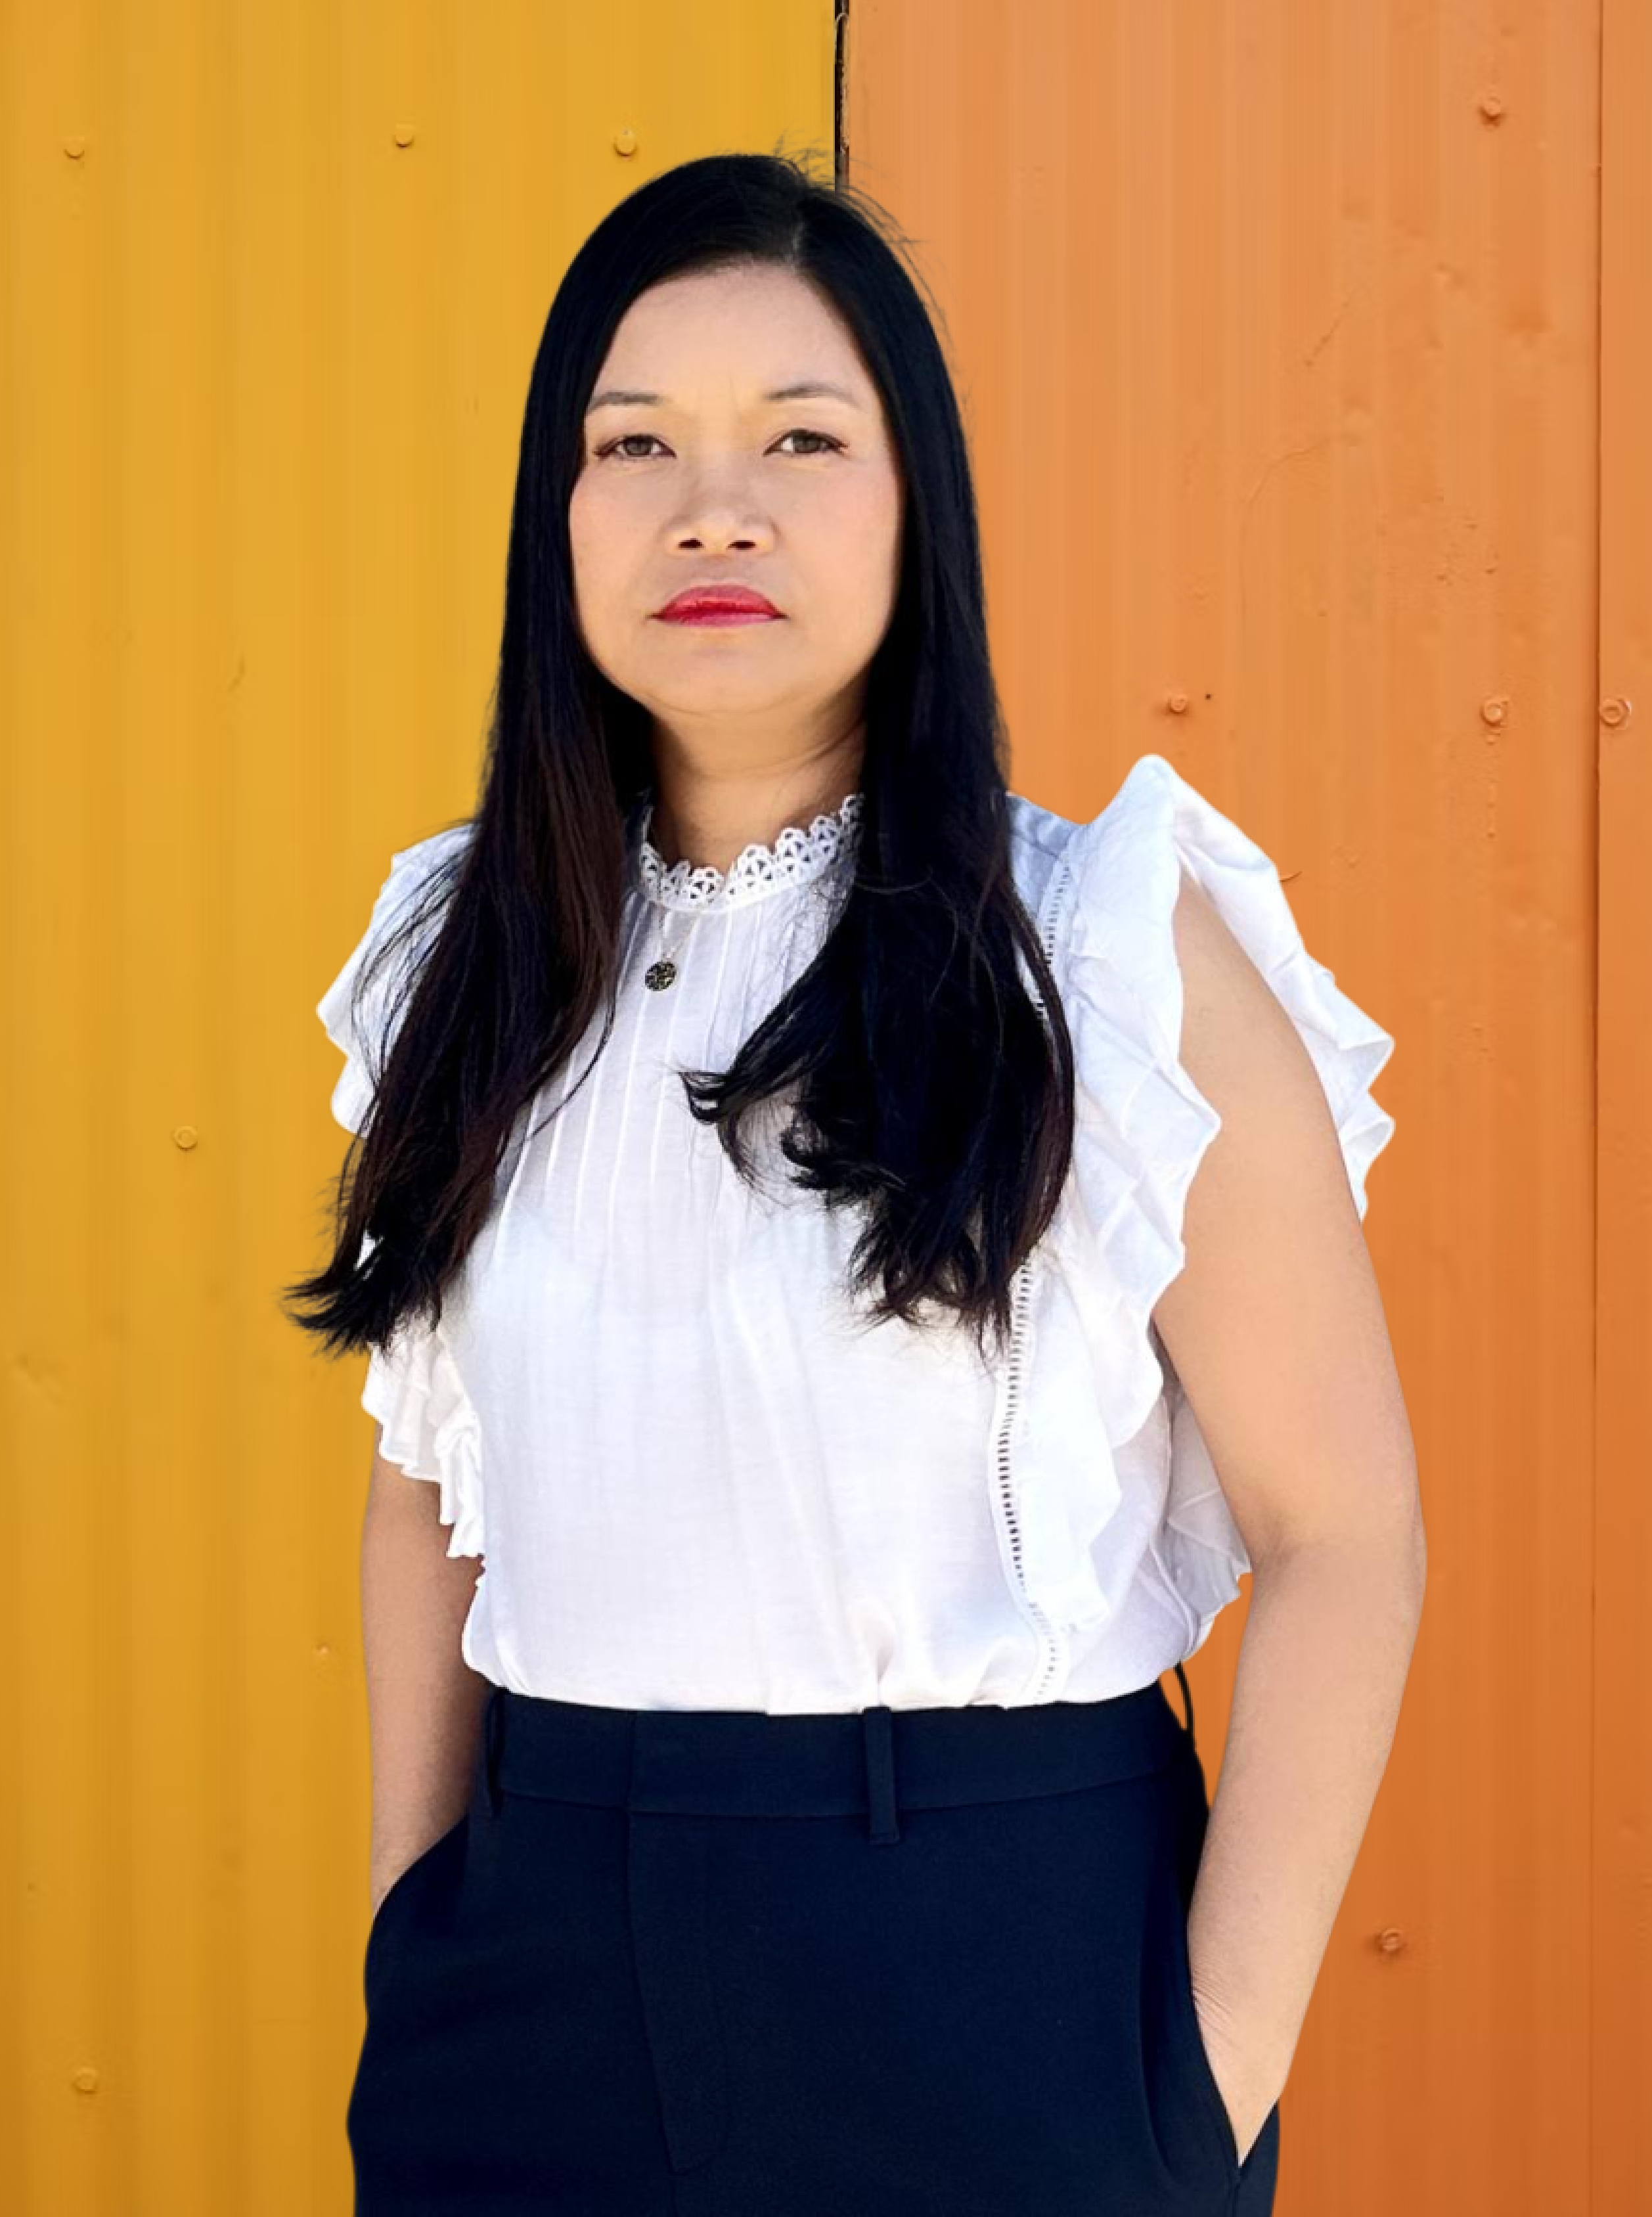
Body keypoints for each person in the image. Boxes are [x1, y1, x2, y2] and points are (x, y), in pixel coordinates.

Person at [284, 148, 1423, 2214]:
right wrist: (413, 1931)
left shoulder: (1100, 954)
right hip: (529, 1982)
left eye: (800, 439)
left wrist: (1208, 2077)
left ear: (918, 507)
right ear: (559, 517)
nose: (714, 507)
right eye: (636, 443)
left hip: (996, 1980)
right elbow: (425, 1492)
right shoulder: (465, 957)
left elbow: (1341, 1529)